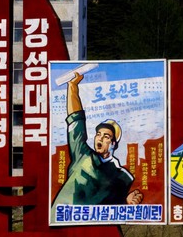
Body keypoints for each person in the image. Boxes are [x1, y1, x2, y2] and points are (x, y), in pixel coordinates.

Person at [52, 72, 143, 208]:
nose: (99, 138)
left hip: (89, 226)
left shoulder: (123, 177)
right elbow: (76, 119)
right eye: (98, 134)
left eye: (106, 136)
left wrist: (126, 202)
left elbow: (112, 208)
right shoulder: (82, 154)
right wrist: (72, 87)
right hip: (59, 219)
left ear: (113, 144)